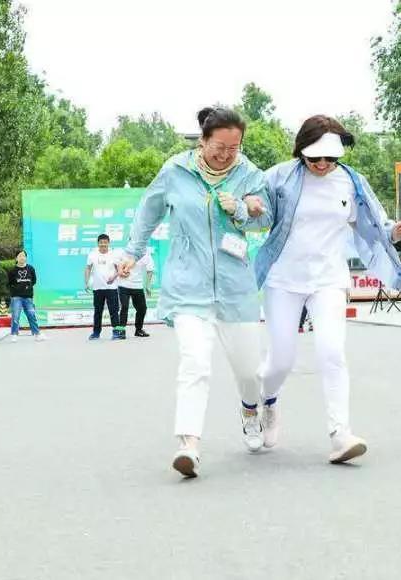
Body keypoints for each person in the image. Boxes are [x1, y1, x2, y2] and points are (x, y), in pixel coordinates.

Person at [252, 115, 401, 465]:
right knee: (281, 360)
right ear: (301, 151)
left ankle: (340, 434)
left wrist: (393, 233)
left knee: (332, 352)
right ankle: (267, 400)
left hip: (329, 279)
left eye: (330, 158)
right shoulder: (278, 176)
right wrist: (249, 208)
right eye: (315, 158)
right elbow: (257, 217)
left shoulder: (351, 182)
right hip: (283, 279)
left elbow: (371, 222)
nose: (322, 164)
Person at [119, 106, 266, 478]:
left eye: (234, 148)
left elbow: (267, 218)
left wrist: (244, 210)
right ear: (203, 141)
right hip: (188, 285)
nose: (226, 155)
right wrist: (132, 253)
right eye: (219, 147)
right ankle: (189, 444)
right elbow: (148, 211)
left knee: (249, 371)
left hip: (235, 287)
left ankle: (251, 410)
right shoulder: (175, 171)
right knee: (195, 363)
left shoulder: (249, 174)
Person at [85, 234, 123, 340]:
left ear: (108, 243)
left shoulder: (113, 254)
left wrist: (113, 278)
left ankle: (116, 332)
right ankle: (96, 333)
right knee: (98, 311)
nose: (103, 244)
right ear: (98, 243)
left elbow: (119, 269)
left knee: (114, 311)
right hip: (97, 288)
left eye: (105, 242)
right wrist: (86, 282)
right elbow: (88, 268)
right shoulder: (92, 254)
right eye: (101, 242)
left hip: (111, 288)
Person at [8, 250, 45, 342]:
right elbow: (9, 283)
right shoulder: (12, 270)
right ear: (16, 258)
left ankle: (37, 334)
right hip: (16, 297)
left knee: (31, 315)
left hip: (28, 296)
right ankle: (14, 334)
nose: (22, 258)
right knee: (16, 315)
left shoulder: (30, 268)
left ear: (26, 258)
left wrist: (28, 288)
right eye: (20, 256)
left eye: (24, 256)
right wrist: (16, 290)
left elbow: (34, 281)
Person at [118, 248, 154, 338]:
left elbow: (150, 270)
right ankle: (121, 330)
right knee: (124, 307)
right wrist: (121, 272)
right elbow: (117, 266)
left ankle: (138, 330)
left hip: (137, 286)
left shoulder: (145, 254)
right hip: (123, 285)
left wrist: (148, 285)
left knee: (142, 308)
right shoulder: (123, 253)